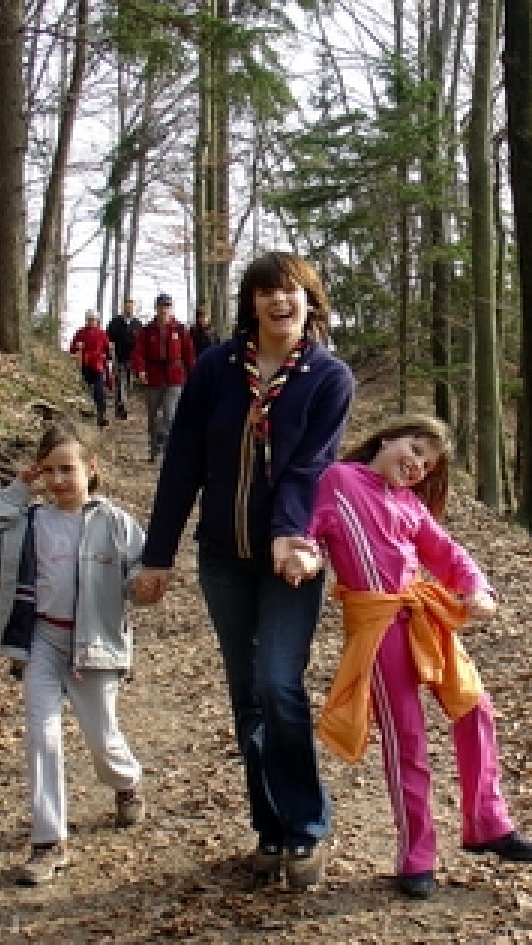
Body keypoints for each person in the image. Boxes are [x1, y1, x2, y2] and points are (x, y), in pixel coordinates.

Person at [131, 252, 354, 891]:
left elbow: (309, 465)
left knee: (279, 684)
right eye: (266, 292)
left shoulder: (327, 377)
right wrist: (158, 556)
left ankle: (307, 826)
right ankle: (271, 826)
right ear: (251, 303)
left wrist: (290, 533)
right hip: (223, 559)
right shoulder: (213, 370)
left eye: (292, 291)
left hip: (293, 561)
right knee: (246, 697)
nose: (279, 301)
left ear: (311, 302)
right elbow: (182, 466)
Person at [283, 414, 532, 901]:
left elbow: (447, 552)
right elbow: (313, 531)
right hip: (377, 627)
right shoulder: (341, 480)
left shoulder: (409, 506)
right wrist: (303, 555)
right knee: (407, 739)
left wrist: (476, 588)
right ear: (387, 439)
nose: (417, 464)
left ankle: (486, 822)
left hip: (423, 617)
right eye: (415, 449)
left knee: (474, 708)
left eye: (427, 463)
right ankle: (416, 854)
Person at [0, 422, 148, 886]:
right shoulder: (28, 524)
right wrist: (16, 489)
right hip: (42, 640)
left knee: (101, 738)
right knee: (41, 736)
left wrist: (143, 586)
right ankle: (49, 841)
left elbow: (141, 575)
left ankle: (126, 781)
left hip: (94, 645)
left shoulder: (115, 523)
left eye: (69, 469)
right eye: (50, 472)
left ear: (91, 470)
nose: (60, 480)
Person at [130, 293, 196, 462]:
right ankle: (154, 449)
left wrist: (193, 375)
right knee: (152, 416)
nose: (164, 310)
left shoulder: (180, 330)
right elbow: (138, 353)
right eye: (161, 306)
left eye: (167, 306)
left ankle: (167, 448)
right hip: (153, 377)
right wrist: (140, 371)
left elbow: (188, 355)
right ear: (156, 308)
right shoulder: (146, 331)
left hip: (175, 377)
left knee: (170, 414)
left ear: (171, 308)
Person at [68, 310, 113, 427]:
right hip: (84, 365)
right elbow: (72, 349)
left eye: (93, 319)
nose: (91, 321)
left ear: (97, 320)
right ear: (86, 320)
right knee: (85, 390)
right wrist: (77, 347)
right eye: (89, 319)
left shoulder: (102, 334)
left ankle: (101, 414)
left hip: (98, 365)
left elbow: (108, 350)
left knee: (99, 390)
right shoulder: (80, 333)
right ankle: (86, 414)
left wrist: (108, 354)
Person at [106, 298, 141, 420]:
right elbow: (108, 339)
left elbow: (141, 343)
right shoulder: (115, 322)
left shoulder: (137, 324)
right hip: (118, 357)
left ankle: (122, 407)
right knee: (120, 383)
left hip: (132, 359)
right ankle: (122, 409)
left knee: (129, 384)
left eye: (131, 307)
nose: (129, 309)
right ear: (123, 308)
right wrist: (110, 354)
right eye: (127, 307)